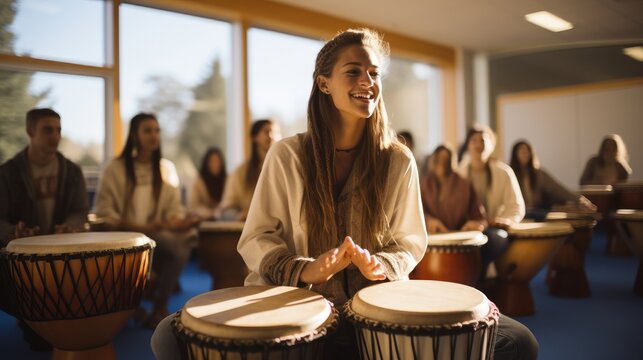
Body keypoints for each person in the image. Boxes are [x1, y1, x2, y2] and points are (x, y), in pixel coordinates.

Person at [151, 28, 538, 360]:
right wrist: (305, 269)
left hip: (376, 314)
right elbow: (256, 237)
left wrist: (381, 266)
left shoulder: (398, 160)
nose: (367, 81)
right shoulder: (287, 155)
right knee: (169, 334)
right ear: (324, 83)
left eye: (374, 73)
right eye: (353, 71)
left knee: (518, 341)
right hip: (295, 310)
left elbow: (410, 242)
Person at [94, 112, 199, 328]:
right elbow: (104, 212)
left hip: (155, 235)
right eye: (147, 130)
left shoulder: (165, 168)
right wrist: (138, 228)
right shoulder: (115, 168)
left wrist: (181, 221)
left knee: (184, 241)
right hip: (122, 236)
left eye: (157, 130)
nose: (154, 135)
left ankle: (160, 306)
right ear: (134, 134)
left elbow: (173, 209)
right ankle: (132, 307)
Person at [0, 108, 89, 351]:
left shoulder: (72, 171)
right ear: (30, 131)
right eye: (47, 130)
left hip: (64, 257)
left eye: (58, 130)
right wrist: (13, 233)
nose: (55, 136)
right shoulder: (7, 173)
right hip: (22, 262)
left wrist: (70, 226)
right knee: (39, 341)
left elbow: (80, 210)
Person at [457, 125, 525, 280]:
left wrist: (506, 220)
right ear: (468, 145)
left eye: (482, 140)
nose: (478, 144)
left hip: (493, 228)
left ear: (491, 145)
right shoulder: (458, 174)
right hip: (465, 228)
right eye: (473, 140)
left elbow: (516, 205)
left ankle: (479, 281)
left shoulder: (504, 172)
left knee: (493, 239)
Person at [510, 140, 596, 220]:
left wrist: (578, 199)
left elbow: (558, 189)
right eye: (521, 151)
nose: (524, 154)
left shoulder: (539, 173)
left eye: (527, 151)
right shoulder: (509, 173)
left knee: (568, 210)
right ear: (515, 154)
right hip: (518, 212)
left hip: (537, 210)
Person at [216, 119, 280, 220]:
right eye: (267, 131)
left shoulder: (284, 168)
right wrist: (239, 215)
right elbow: (225, 210)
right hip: (251, 230)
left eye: (275, 132)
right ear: (255, 137)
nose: (272, 136)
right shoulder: (240, 173)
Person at [421, 144, 487, 233]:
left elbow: (480, 218)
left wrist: (473, 225)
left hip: (459, 235)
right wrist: (428, 221)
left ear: (452, 161)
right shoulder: (425, 184)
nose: (442, 162)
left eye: (445, 159)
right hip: (432, 236)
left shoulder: (464, 185)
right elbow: (418, 212)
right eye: (438, 158)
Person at [188, 147, 227, 220]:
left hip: (225, 221)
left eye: (218, 161)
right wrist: (210, 213)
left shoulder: (227, 181)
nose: (216, 164)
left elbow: (230, 203)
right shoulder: (199, 183)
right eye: (213, 161)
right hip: (203, 223)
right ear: (206, 163)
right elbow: (193, 207)